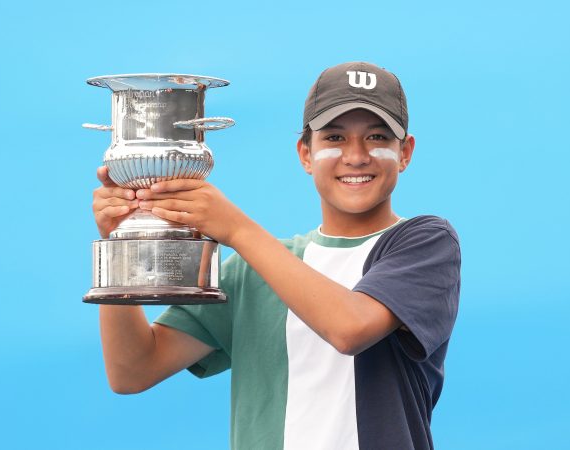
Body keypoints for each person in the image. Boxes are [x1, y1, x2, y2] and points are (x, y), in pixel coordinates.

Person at [92, 61, 461, 450]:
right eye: (334, 137)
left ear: (405, 153)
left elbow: (350, 328)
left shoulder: (424, 243)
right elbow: (131, 371)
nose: (356, 155)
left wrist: (236, 229)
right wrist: (120, 244)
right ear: (305, 153)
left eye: (377, 137)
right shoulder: (253, 270)